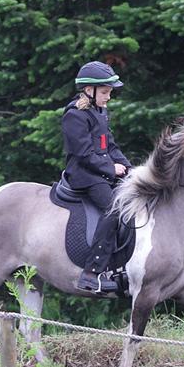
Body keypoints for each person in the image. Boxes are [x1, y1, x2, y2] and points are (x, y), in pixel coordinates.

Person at [62, 61, 131, 293]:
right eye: (104, 92)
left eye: (110, 92)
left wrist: (127, 168)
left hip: (100, 170)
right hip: (84, 175)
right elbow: (83, 154)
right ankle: (91, 273)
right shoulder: (75, 114)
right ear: (88, 91)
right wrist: (111, 169)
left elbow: (110, 145)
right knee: (115, 209)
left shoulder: (100, 112)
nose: (108, 97)